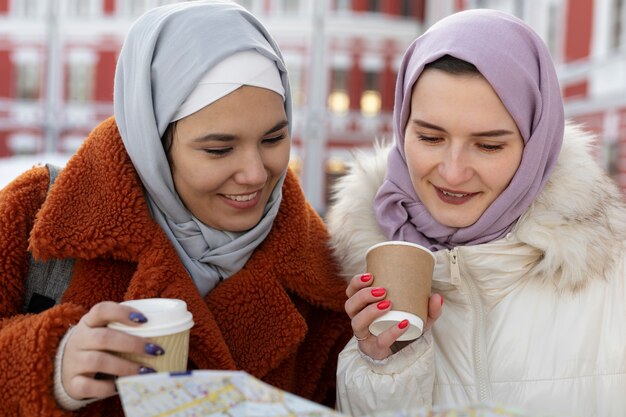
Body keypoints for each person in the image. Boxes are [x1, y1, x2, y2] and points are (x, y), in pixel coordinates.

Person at [0, 1, 352, 415]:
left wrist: (380, 364)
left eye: (273, 139)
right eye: (219, 149)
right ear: (152, 141)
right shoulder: (38, 213)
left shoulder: (325, 274)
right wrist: (49, 363)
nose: (256, 174)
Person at [327, 9, 626, 417]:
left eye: (488, 146)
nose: (452, 171)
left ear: (536, 144)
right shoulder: (346, 268)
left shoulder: (613, 277)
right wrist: (384, 369)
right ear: (402, 127)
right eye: (430, 137)